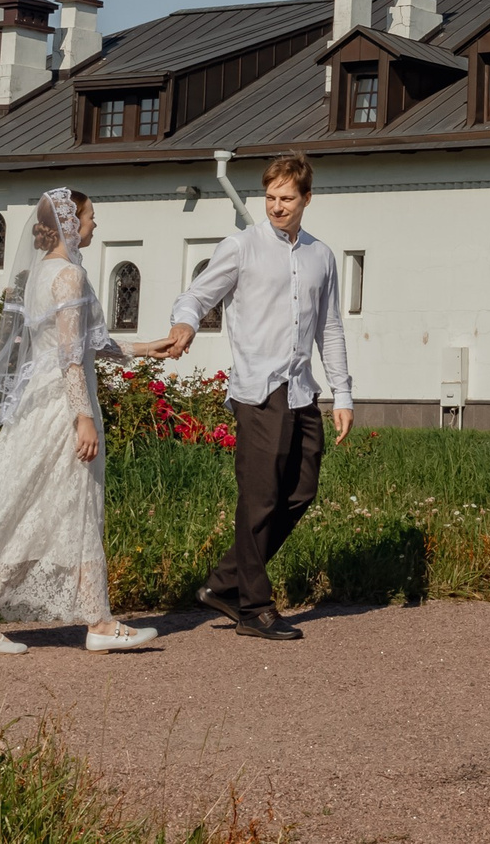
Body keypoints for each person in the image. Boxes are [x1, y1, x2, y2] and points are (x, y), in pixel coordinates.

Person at [0, 187, 159, 655]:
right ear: (71, 223)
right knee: (80, 504)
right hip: (63, 408)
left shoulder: (40, 275)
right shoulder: (70, 276)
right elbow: (72, 358)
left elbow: (83, 342)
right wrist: (83, 418)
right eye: (91, 217)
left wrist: (147, 348)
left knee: (27, 510)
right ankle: (99, 624)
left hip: (38, 403)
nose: (95, 225)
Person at [144, 152, 351, 639]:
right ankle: (255, 607)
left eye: (286, 198)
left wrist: (343, 394)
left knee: (301, 490)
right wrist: (184, 324)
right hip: (258, 389)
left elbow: (331, 327)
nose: (276, 207)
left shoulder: (321, 256)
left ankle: (224, 583)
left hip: (301, 391)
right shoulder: (242, 246)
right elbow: (196, 295)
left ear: (306, 199)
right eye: (271, 197)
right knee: (259, 500)